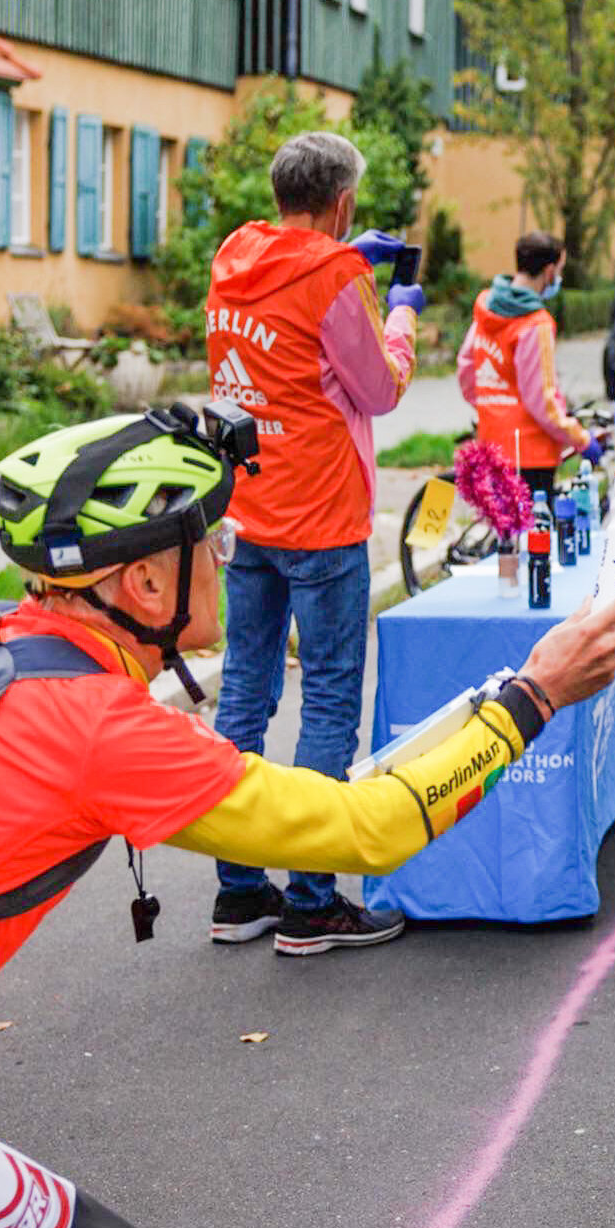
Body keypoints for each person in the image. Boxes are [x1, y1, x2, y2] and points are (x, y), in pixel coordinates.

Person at [0, 410, 615, 1228]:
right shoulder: (101, 728)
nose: (226, 559)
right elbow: (369, 830)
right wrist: (534, 696)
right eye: (210, 544)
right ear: (143, 583)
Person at [205, 131, 426, 955]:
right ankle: (310, 900)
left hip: (248, 506)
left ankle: (238, 892)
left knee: (246, 696)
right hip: (324, 515)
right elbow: (379, 386)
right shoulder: (335, 274)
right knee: (330, 695)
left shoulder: (236, 254)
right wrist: (396, 313)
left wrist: (347, 262)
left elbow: (284, 325)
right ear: (343, 203)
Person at [457, 231, 604, 503]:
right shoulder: (536, 324)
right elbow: (543, 401)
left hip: (491, 441)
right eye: (559, 271)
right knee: (533, 539)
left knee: (505, 535)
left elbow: (467, 367)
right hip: (530, 451)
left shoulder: (486, 309)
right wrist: (581, 438)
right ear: (549, 271)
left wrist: (491, 407)